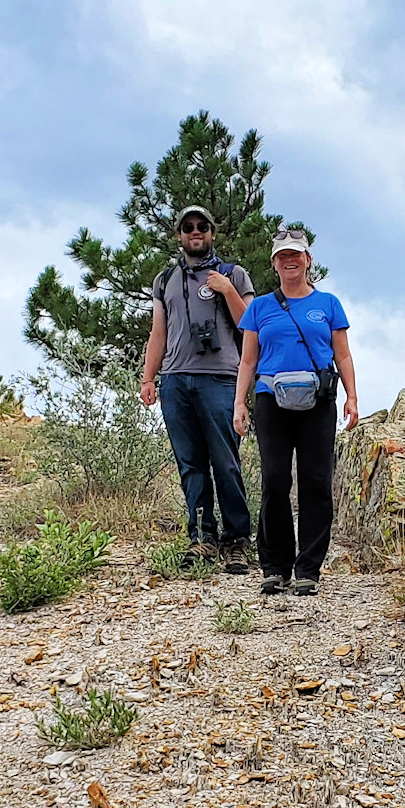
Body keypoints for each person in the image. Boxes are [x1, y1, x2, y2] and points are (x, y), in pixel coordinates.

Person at [233, 228, 358, 596]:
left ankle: (309, 568)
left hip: (318, 401)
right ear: (274, 263)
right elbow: (247, 360)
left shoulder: (329, 304)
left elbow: (343, 354)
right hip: (272, 399)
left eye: (296, 254)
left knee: (316, 482)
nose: (290, 260)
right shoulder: (259, 308)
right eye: (282, 255)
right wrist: (240, 403)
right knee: (274, 481)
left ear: (307, 260)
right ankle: (275, 567)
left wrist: (351, 397)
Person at [141, 205, 257, 573]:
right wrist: (148, 377)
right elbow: (158, 333)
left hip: (221, 379)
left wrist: (225, 290)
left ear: (211, 233)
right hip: (176, 381)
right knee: (190, 465)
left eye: (202, 226)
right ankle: (202, 538)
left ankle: (237, 540)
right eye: (188, 227)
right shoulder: (165, 280)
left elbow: (250, 326)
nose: (195, 232)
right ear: (179, 235)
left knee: (225, 463)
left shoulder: (233, 274)